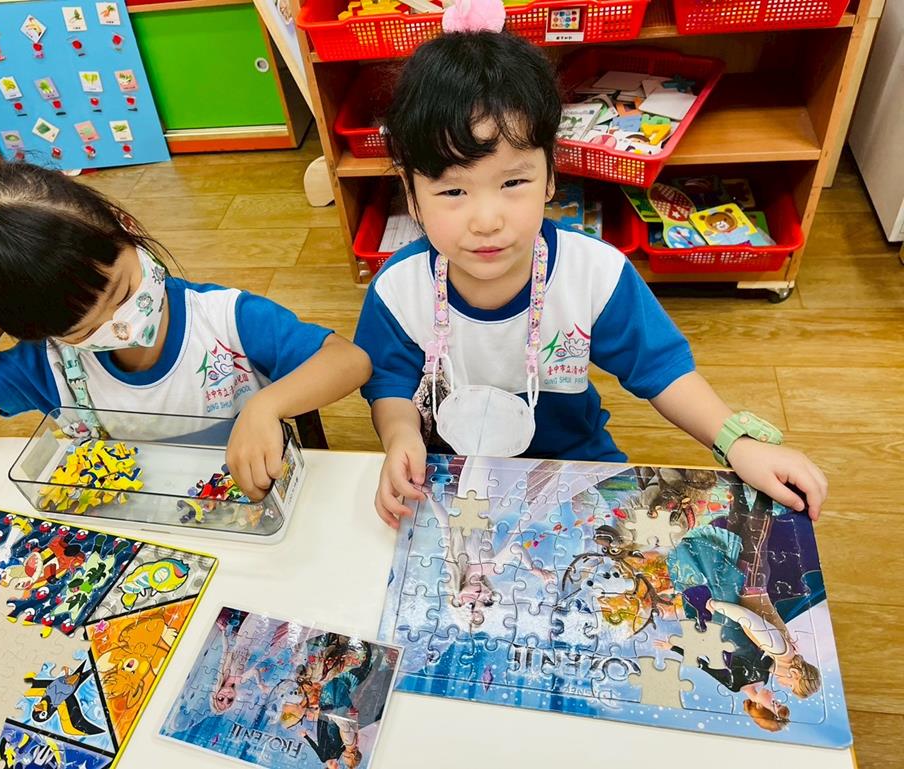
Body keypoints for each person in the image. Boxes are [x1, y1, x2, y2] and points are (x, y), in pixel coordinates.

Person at [352, 28, 827, 527]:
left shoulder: (595, 272)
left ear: (551, 176)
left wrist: (736, 441)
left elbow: (662, 368)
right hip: (450, 472)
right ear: (411, 194)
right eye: (453, 192)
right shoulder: (398, 289)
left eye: (513, 181)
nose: (487, 220)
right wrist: (401, 435)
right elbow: (389, 382)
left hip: (575, 465)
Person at [0, 163, 371, 499]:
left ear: (123, 227)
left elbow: (349, 360)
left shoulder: (226, 318)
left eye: (121, 292)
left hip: (249, 500)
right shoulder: (51, 364)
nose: (120, 326)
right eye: (85, 329)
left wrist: (265, 406)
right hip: (138, 520)